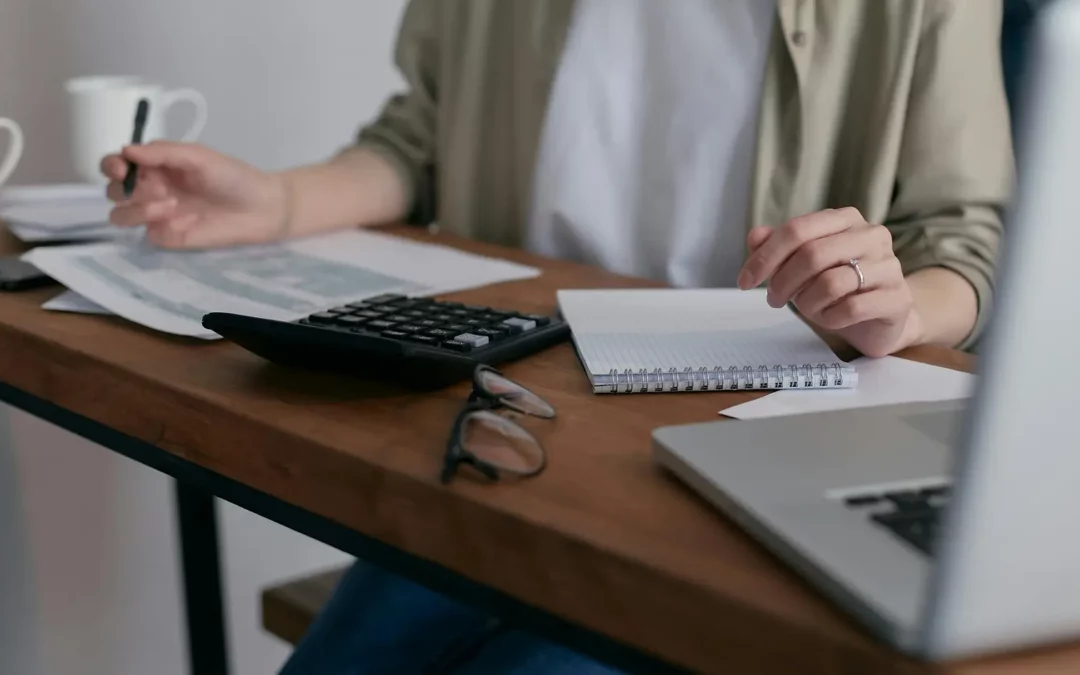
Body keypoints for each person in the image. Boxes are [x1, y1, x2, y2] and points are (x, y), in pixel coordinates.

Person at [101, 1, 1013, 672]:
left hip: (757, 439)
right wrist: (282, 201)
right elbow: (419, 141)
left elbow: (964, 241)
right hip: (515, 416)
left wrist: (896, 307)